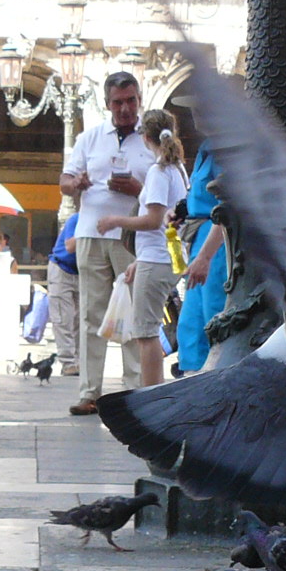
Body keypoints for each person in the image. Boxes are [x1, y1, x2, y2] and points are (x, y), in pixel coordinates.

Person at [61, 71, 153, 414]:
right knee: (91, 313)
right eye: (118, 102)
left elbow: (168, 189)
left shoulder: (151, 139)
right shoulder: (90, 137)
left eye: (131, 100)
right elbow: (65, 181)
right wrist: (77, 183)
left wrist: (136, 190)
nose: (125, 109)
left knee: (133, 312)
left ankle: (134, 389)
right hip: (90, 232)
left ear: (139, 99)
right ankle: (90, 392)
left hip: (132, 237)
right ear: (107, 104)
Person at [98, 107, 186, 390]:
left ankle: (151, 395)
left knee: (145, 334)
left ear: (146, 138)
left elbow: (153, 220)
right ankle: (154, 392)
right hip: (163, 257)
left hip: (156, 259)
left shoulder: (159, 172)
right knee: (147, 332)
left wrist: (115, 220)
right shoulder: (177, 169)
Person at [174, 136, 226, 376]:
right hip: (200, 237)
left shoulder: (228, 146)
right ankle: (192, 377)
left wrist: (206, 256)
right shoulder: (207, 146)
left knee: (213, 314)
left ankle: (215, 379)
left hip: (217, 241)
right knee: (191, 320)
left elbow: (230, 204)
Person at [45, 210, 79, 374]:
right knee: (63, 318)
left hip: (83, 271)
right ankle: (68, 363)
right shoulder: (77, 219)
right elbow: (70, 246)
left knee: (82, 320)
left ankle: (80, 361)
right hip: (61, 268)